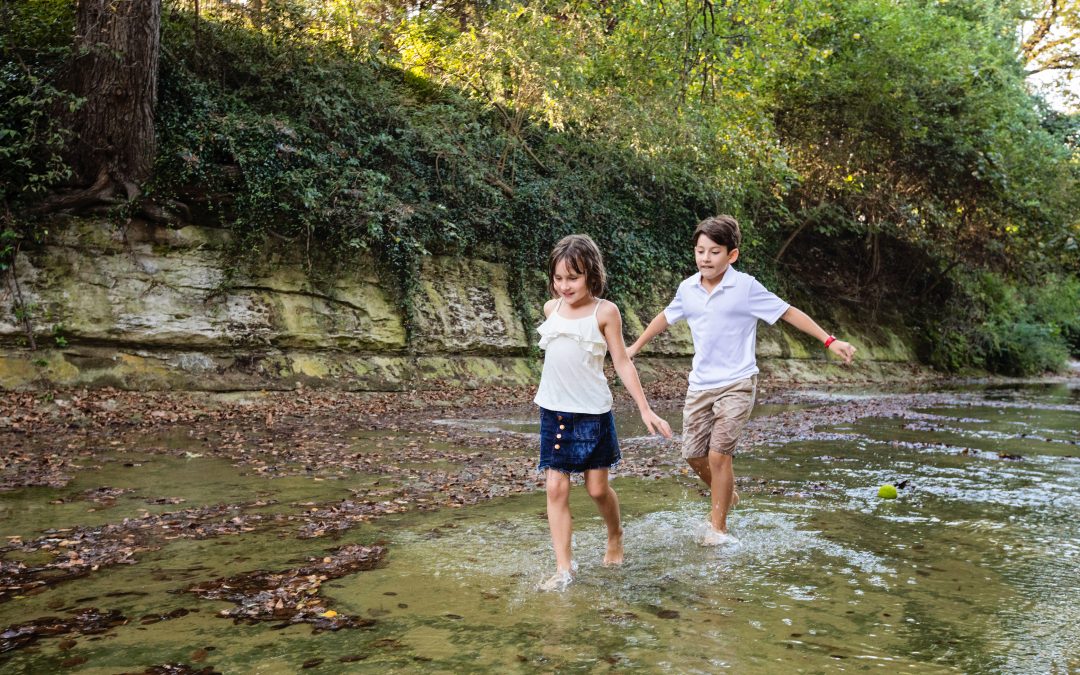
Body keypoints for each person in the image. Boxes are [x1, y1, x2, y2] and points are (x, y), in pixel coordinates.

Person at [626, 215, 856, 546]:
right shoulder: (688, 289)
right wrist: (635, 346)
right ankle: (727, 492)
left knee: (719, 455)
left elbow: (789, 312)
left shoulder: (746, 287)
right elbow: (665, 317)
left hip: (738, 383)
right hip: (700, 385)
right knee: (692, 454)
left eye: (714, 252)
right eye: (700, 251)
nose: (705, 258)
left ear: (732, 255)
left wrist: (830, 341)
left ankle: (717, 529)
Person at [535, 234, 673, 591]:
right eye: (559, 278)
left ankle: (615, 534)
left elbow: (623, 362)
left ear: (591, 275)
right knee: (555, 488)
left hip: (593, 414)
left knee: (597, 490)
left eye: (573, 278)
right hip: (553, 412)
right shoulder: (552, 309)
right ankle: (564, 569)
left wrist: (645, 409)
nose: (564, 286)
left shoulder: (605, 312)